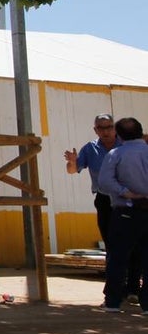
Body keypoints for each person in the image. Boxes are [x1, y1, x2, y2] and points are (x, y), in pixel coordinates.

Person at [65, 113, 138, 301]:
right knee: (111, 244)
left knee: (135, 244)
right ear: (95, 129)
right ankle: (116, 289)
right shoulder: (90, 148)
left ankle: (133, 288)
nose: (106, 131)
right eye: (101, 128)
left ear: (115, 128)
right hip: (106, 200)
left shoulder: (126, 145)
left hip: (129, 199)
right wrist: (73, 161)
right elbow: (73, 170)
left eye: (109, 127)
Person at [97, 117, 148, 313]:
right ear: (141, 131)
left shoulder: (115, 154)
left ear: (118, 134)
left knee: (118, 257)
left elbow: (104, 183)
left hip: (126, 211)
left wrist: (125, 192)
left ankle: (113, 302)